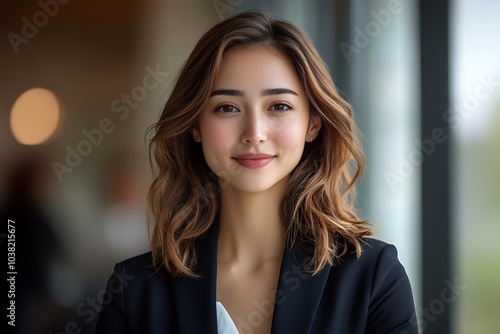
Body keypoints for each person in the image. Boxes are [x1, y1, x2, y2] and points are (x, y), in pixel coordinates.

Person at [95, 11, 417, 334]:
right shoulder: (134, 291)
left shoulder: (374, 277)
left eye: (279, 106)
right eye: (227, 108)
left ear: (313, 123)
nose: (255, 132)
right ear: (196, 126)